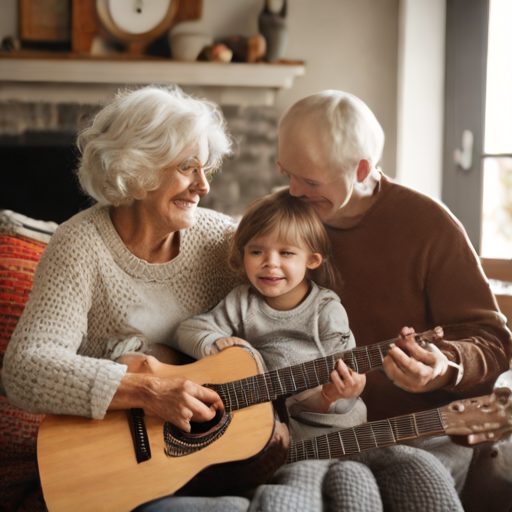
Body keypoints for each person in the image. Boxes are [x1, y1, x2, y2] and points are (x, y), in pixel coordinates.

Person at [2, 84, 265, 512]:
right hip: (107, 465)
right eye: (187, 168)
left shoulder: (220, 241)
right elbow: (26, 369)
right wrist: (147, 391)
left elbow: (287, 312)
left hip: (197, 462)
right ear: (138, 168)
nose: (202, 186)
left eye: (206, 170)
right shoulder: (79, 244)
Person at [275, 89, 512, 508]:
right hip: (311, 431)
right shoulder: (283, 215)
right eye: (285, 172)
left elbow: (492, 340)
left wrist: (445, 366)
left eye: (310, 181)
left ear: (362, 168)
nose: (292, 191)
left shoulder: (429, 225)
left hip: (422, 432)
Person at [174, 189, 464, 512]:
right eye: (257, 251)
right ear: (242, 254)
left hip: (338, 430)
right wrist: (214, 343)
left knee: (408, 466)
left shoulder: (326, 311)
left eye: (286, 253)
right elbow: (187, 329)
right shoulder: (242, 302)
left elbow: (346, 387)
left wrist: (337, 394)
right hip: (280, 439)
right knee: (290, 485)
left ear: (312, 259)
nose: (270, 263)